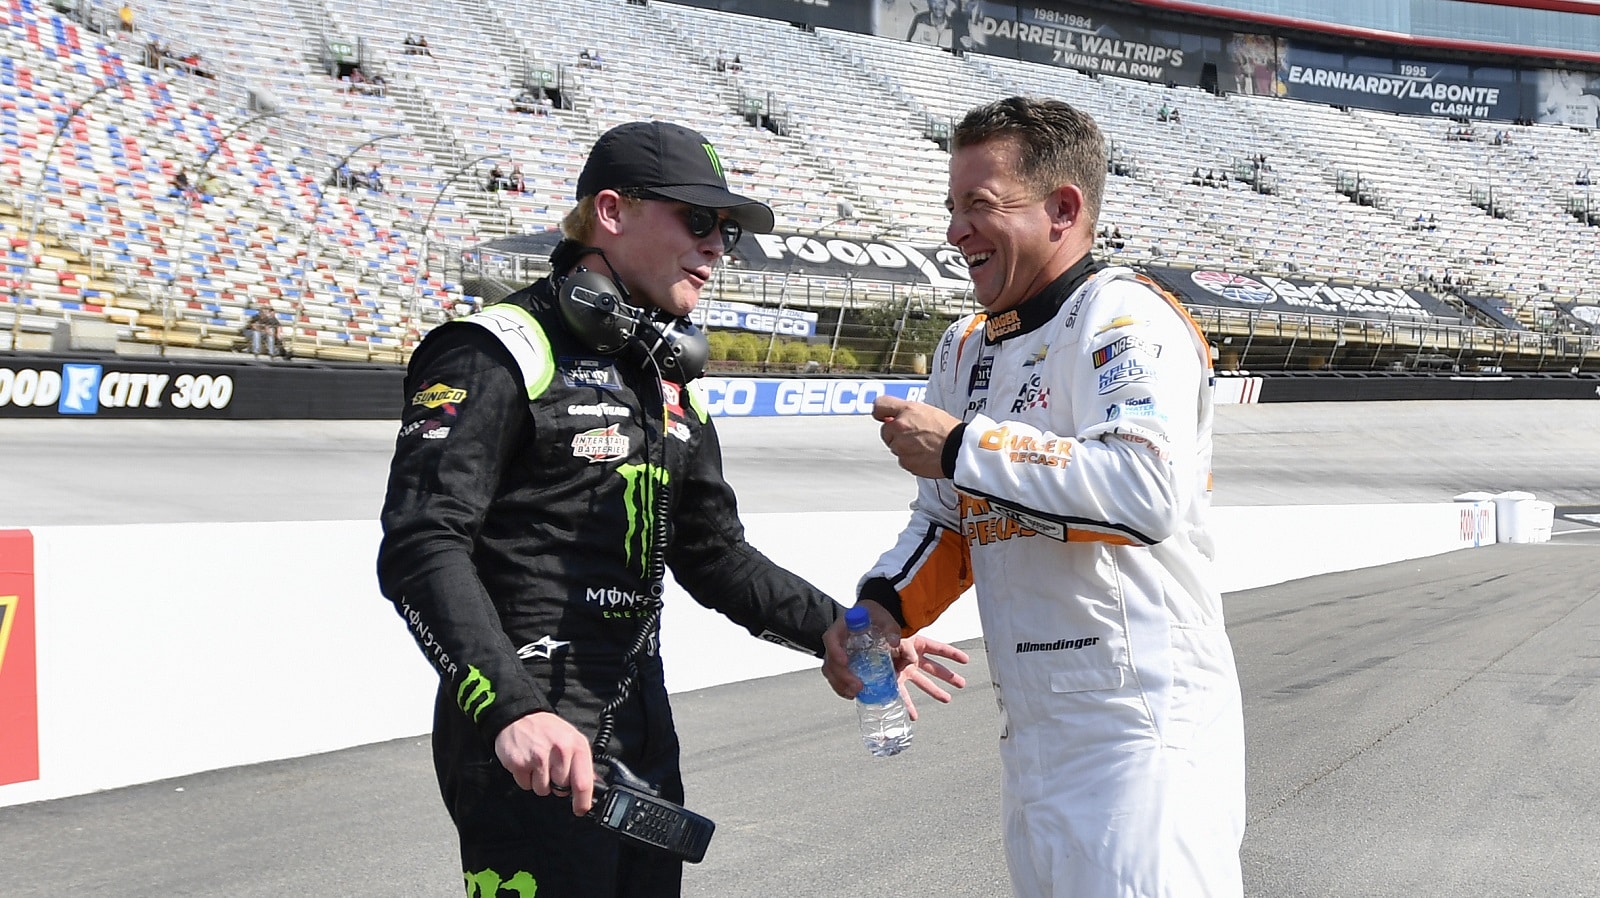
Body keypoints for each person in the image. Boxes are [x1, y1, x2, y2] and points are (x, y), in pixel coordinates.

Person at [377, 119, 967, 898]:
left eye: (725, 228)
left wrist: (841, 628)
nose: (717, 243)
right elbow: (422, 545)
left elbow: (714, 551)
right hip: (532, 741)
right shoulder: (494, 349)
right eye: (697, 219)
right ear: (613, 213)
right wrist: (512, 710)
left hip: (640, 737)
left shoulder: (663, 377)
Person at [820, 96, 1245, 898]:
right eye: (952, 208)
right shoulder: (966, 346)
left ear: (1063, 209)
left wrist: (959, 444)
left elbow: (1144, 491)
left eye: (979, 207)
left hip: (1143, 737)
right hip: (1032, 738)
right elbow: (948, 519)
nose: (955, 232)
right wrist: (879, 615)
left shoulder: (1125, 318)